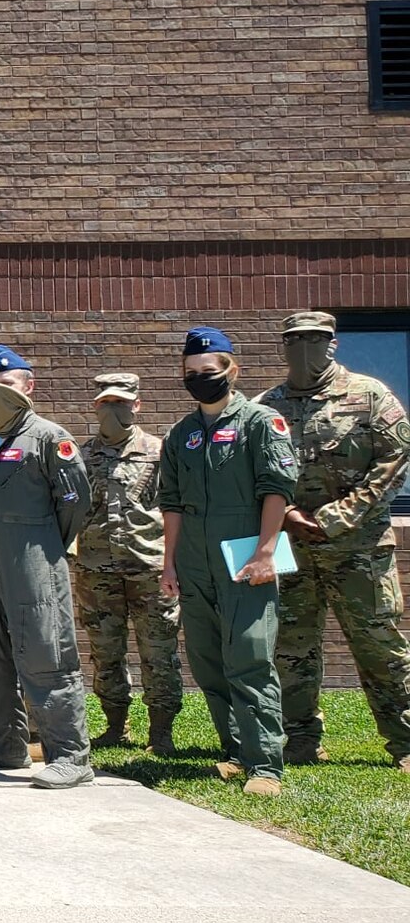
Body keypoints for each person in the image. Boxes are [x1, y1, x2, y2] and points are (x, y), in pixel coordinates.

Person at [258, 311, 410, 773]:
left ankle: (405, 741)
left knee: (379, 646)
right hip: (288, 546)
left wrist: (334, 517)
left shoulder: (369, 397)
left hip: (359, 547)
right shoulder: (267, 405)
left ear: (333, 344)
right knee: (289, 647)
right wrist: (286, 515)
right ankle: (300, 741)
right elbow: (251, 471)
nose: (304, 348)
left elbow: (394, 461)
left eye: (315, 339)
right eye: (294, 340)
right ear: (283, 346)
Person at [160, 325, 299, 796]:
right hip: (195, 558)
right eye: (191, 372)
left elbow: (276, 490)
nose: (200, 378)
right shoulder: (181, 434)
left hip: (244, 550)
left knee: (249, 654)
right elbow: (172, 502)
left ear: (231, 370)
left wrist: (265, 553)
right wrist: (170, 563)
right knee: (206, 658)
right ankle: (235, 750)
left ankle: (265, 766)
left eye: (209, 370)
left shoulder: (261, 421)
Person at [0, 346, 95, 788]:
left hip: (34, 561)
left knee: (45, 653)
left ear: (29, 387)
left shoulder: (50, 438)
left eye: (8, 385)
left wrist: (46, 544)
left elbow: (76, 504)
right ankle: (6, 743)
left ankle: (70, 755)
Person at [75, 372, 185, 754]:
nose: (112, 409)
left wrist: (173, 563)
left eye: (120, 403)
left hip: (149, 569)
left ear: (136, 405)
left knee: (158, 654)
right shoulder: (82, 456)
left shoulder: (160, 452)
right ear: (95, 406)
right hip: (96, 570)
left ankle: (161, 732)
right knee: (105, 652)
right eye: (106, 403)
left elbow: (174, 508)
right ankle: (115, 725)